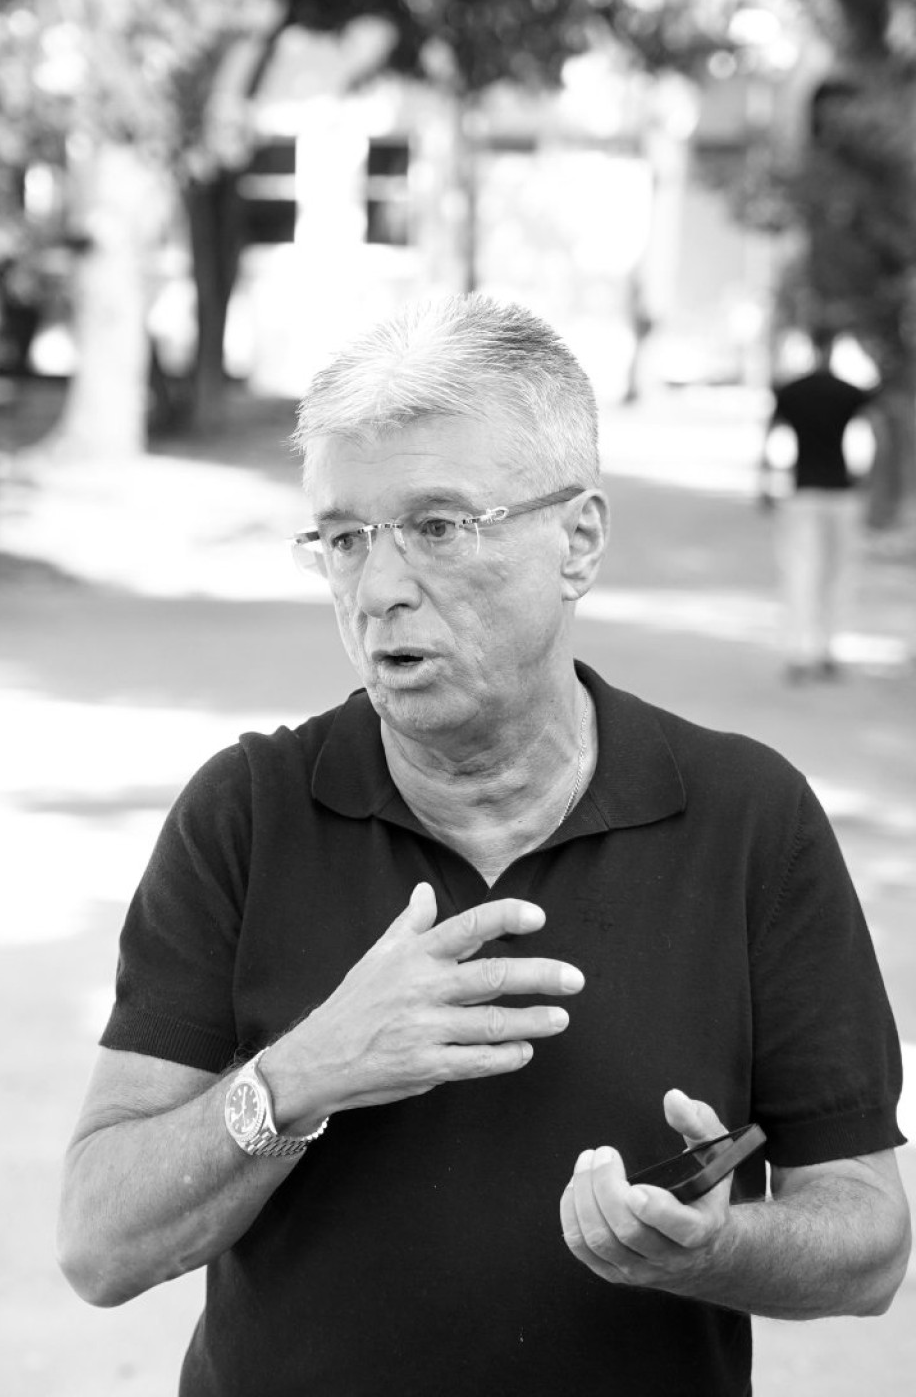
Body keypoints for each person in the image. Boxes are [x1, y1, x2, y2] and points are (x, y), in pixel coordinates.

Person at [58, 295, 909, 1397]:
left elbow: (868, 1238)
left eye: (438, 526)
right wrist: (303, 1074)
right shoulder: (248, 812)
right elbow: (98, 1242)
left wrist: (715, 1249)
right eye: (344, 538)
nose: (378, 589)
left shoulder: (749, 818)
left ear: (578, 541)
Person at [761, 329, 879, 682]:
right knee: (839, 574)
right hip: (842, 492)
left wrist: (764, 482)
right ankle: (829, 651)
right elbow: (878, 433)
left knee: (800, 571)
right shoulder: (849, 392)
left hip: (803, 491)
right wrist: (870, 478)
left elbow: (770, 435)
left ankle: (799, 653)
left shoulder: (791, 390)